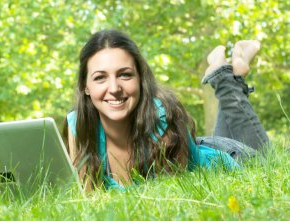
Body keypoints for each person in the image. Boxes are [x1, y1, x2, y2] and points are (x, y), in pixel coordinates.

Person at [63, 29, 270, 191]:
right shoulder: (78, 125)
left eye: (125, 75)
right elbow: (89, 198)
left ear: (140, 80)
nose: (115, 88)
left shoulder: (162, 117)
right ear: (85, 86)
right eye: (100, 78)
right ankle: (233, 71)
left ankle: (222, 76)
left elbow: (172, 195)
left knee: (266, 158)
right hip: (198, 146)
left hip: (228, 157)